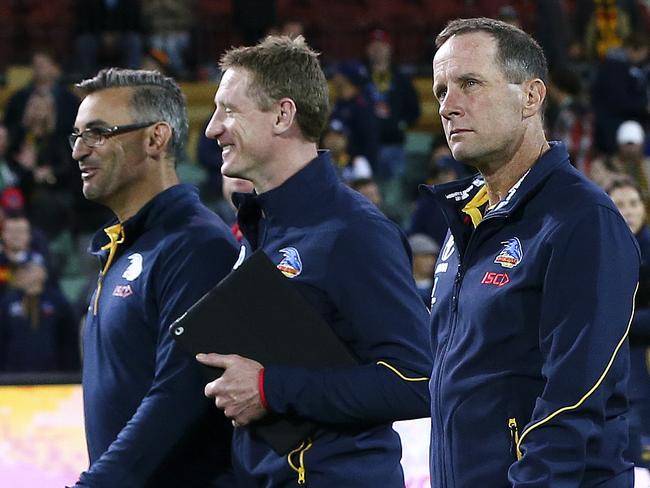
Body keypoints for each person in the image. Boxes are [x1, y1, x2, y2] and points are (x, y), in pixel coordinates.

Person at [197, 35, 431, 487]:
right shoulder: (261, 225)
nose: (212, 129)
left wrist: (271, 388)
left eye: (229, 110)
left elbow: (416, 380)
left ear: (283, 115)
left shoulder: (354, 231)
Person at [424, 17, 639, 486]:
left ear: (531, 96)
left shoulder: (582, 220)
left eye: (470, 83)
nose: (448, 106)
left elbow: (573, 398)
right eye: (441, 91)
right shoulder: (467, 222)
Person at [69, 68, 239, 487]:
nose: (79, 151)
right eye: (76, 136)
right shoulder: (123, 246)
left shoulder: (197, 244)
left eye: (97, 133)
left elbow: (178, 395)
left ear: (155, 139)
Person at [607, 179, 650, 472]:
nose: (629, 211)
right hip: (620, 369)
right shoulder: (599, 250)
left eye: (633, 203)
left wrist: (619, 319)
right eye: (620, 205)